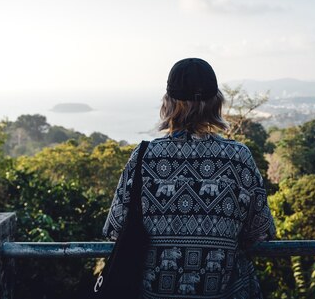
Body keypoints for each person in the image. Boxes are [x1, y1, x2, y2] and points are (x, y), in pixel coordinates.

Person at [103, 58, 276, 298]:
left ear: (168, 103)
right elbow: (260, 231)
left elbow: (115, 229)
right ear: (216, 103)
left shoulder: (144, 157)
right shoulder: (239, 158)